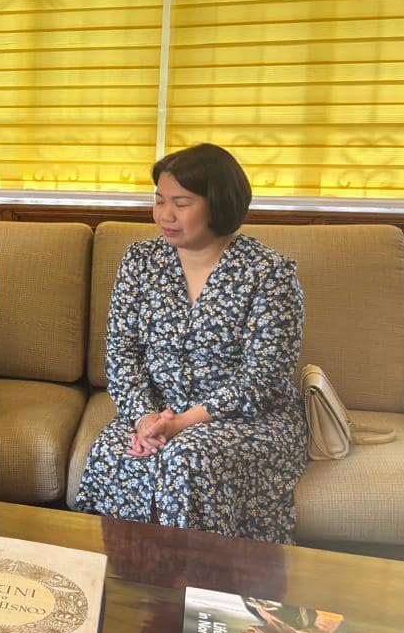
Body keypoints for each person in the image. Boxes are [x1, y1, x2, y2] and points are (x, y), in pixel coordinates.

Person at [74, 143, 308, 543]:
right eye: (159, 200)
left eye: (180, 203)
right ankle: (122, 578)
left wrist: (182, 423)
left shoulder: (269, 273)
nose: (164, 215)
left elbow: (263, 377)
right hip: (158, 411)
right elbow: (122, 353)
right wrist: (144, 419)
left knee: (187, 457)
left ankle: (199, 578)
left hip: (245, 419)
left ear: (218, 204)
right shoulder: (141, 261)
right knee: (119, 455)